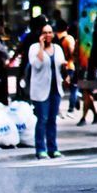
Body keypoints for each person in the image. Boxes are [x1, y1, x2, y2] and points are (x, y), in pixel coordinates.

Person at [28, 19, 66, 160]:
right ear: (40, 34)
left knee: (52, 120)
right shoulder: (34, 48)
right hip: (40, 90)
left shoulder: (58, 48)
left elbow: (61, 65)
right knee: (42, 119)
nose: (48, 35)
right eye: (45, 33)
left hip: (55, 89)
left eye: (50, 32)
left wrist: (66, 72)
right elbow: (36, 65)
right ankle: (40, 149)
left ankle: (53, 149)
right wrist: (41, 47)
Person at [54, 14, 78, 116]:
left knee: (59, 89)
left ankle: (57, 109)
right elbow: (72, 53)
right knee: (73, 88)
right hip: (69, 66)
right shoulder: (69, 39)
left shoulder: (54, 39)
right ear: (67, 28)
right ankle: (71, 109)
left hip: (58, 67)